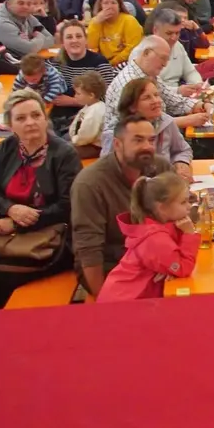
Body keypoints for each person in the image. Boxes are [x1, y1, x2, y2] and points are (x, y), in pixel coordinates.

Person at [0, 91, 81, 311]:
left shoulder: (64, 154)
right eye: (21, 118)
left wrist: (17, 222)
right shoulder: (7, 147)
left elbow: (67, 206)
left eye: (35, 115)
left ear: (44, 118)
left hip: (51, 238)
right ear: (10, 125)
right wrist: (9, 209)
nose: (30, 122)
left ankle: (10, 334)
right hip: (9, 236)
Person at [71, 115, 165, 297]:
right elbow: (89, 249)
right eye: (138, 140)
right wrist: (104, 301)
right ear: (117, 144)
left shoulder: (160, 167)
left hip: (157, 258)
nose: (147, 146)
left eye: (151, 140)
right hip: (112, 266)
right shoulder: (90, 184)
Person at [96, 171, 201, 302]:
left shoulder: (158, 225)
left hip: (130, 298)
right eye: (183, 202)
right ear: (162, 208)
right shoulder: (155, 239)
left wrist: (168, 267)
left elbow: (173, 258)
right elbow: (184, 268)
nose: (189, 206)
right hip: (124, 304)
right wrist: (189, 234)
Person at [102, 35, 205, 147]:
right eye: (163, 58)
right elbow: (140, 127)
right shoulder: (129, 82)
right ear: (146, 53)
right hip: (132, 149)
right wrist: (187, 120)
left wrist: (201, 105)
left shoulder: (149, 75)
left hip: (158, 141)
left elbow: (174, 101)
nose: (165, 64)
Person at [103, 77, 193, 176]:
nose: (156, 101)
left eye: (156, 95)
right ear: (132, 106)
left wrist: (181, 162)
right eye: (147, 97)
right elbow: (108, 170)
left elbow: (182, 150)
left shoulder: (166, 122)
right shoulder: (115, 132)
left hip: (165, 183)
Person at [86, 0, 144, 64]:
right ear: (100, 6)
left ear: (119, 5)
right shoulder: (95, 22)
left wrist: (112, 63)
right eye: (106, 3)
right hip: (102, 62)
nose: (110, 6)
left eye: (113, 3)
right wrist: (95, 24)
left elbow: (131, 49)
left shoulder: (129, 21)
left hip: (124, 62)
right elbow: (91, 47)